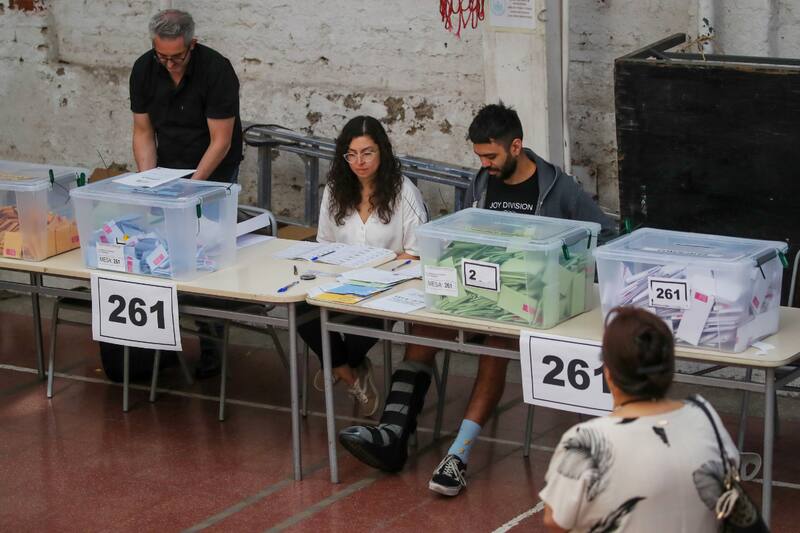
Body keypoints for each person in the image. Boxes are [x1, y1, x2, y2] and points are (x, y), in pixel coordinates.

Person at [338, 102, 616, 496]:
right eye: (479, 156)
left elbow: (600, 234)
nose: (483, 163)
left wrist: (569, 263)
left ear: (516, 146)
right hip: (476, 289)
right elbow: (460, 233)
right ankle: (392, 433)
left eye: (490, 155)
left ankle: (458, 455)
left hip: (530, 300)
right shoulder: (482, 183)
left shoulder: (558, 187)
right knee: (424, 324)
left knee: (496, 341)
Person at [541, 306, 739, 532]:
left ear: (608, 372)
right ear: (670, 368)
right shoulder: (704, 416)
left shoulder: (586, 440)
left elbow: (554, 520)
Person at [129, 9, 243, 378]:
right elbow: (144, 132)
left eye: (176, 57)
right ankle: (163, 342)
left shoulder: (216, 71)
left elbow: (221, 141)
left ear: (191, 45)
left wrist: (192, 189)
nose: (169, 64)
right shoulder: (144, 70)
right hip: (168, 167)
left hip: (212, 170)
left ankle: (212, 343)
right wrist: (150, 185)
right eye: (162, 57)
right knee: (161, 254)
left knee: (205, 254)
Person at [297, 115, 428, 417]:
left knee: (366, 323)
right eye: (352, 154)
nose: (360, 162)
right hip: (341, 281)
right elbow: (324, 244)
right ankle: (350, 373)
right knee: (302, 310)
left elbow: (417, 252)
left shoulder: (403, 190)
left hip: (386, 287)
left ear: (382, 151)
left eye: (367, 152)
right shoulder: (335, 189)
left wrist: (381, 269)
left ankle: (337, 364)